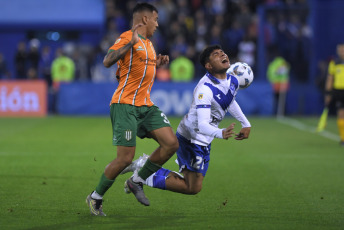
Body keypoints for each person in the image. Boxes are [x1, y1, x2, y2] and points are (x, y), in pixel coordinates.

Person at [86, 3, 179, 216]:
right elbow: (107, 60)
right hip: (125, 104)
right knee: (125, 159)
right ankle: (95, 197)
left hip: (145, 105)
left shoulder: (149, 44)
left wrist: (158, 62)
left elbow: (139, 66)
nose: (157, 24)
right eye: (155, 19)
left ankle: (136, 180)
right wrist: (130, 44)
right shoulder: (128, 37)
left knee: (171, 143)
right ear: (145, 19)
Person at [123, 44, 251, 198]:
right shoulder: (205, 89)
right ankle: (143, 170)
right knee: (191, 187)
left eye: (222, 52)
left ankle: (144, 168)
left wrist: (245, 123)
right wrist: (221, 132)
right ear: (209, 66)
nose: (222, 54)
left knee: (193, 187)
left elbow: (229, 101)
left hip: (205, 139)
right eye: (216, 54)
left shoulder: (232, 81)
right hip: (192, 137)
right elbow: (203, 125)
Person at [325, 43, 344, 146]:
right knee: (341, 114)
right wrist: (328, 93)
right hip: (339, 91)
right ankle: (343, 138)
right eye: (340, 50)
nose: (342, 52)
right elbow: (330, 79)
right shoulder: (334, 63)